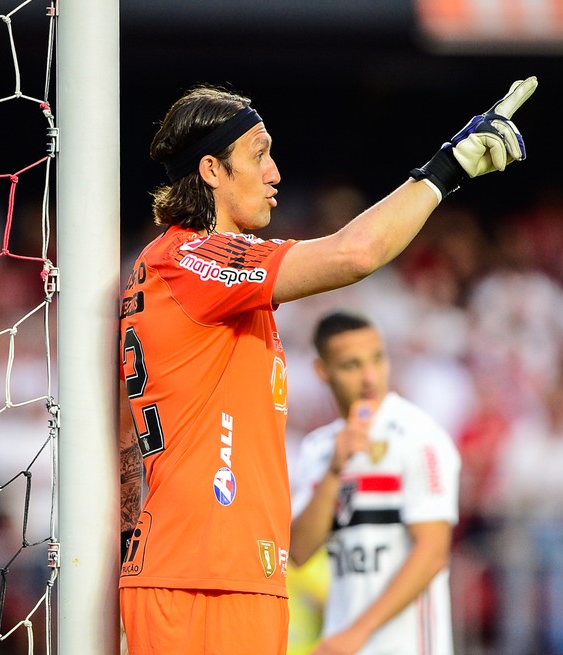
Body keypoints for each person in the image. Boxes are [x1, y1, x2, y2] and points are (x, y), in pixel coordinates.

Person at [118, 78, 537, 653]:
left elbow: (127, 428)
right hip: (202, 576)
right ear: (212, 170)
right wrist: (448, 167)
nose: (275, 173)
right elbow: (353, 253)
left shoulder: (201, 282)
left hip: (227, 571)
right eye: (259, 154)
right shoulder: (191, 260)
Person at [289, 310, 461, 655]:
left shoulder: (420, 436)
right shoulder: (319, 449)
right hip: (342, 641)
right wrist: (336, 471)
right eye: (352, 365)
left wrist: (358, 632)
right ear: (322, 372)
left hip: (406, 645)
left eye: (377, 359)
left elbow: (433, 553)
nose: (370, 377)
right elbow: (298, 551)